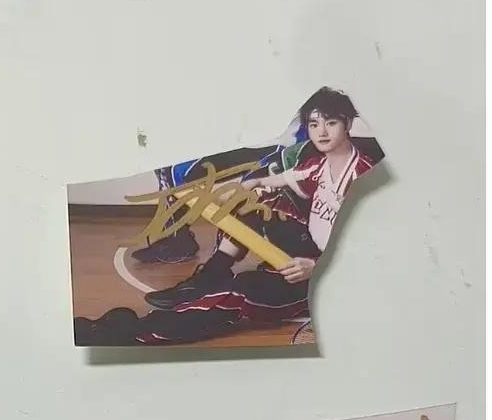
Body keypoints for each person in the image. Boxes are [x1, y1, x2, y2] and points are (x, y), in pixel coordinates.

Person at [75, 88, 380, 345]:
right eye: (314, 124)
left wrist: (315, 267)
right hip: (307, 254)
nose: (321, 132)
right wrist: (245, 188)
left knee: (241, 290)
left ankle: (134, 333)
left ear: (348, 124)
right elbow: (281, 180)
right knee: (252, 200)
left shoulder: (363, 178)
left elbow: (371, 251)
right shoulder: (318, 164)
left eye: (331, 123)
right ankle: (212, 273)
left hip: (322, 280)